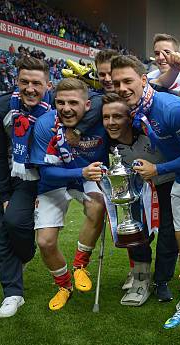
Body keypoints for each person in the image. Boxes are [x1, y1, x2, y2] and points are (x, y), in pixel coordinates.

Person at [110, 55, 180, 305]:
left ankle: (163, 279)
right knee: (133, 223)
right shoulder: (130, 107)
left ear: (145, 80)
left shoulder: (172, 109)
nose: (122, 88)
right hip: (143, 174)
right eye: (117, 84)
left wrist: (158, 169)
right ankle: (141, 275)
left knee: (170, 231)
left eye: (128, 81)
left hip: (176, 176)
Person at [30, 78, 108, 311]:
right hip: (53, 181)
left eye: (73, 102)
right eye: (60, 103)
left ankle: (80, 266)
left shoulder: (102, 120)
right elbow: (46, 171)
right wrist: (81, 170)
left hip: (85, 178)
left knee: (97, 205)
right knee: (45, 242)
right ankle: (64, 286)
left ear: (87, 106)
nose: (66, 108)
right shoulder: (45, 124)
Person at [0, 56, 53, 318]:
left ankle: (25, 253)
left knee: (16, 227)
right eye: (24, 82)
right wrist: (3, 196)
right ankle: (13, 293)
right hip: (5, 176)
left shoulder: (58, 105)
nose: (30, 88)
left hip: (43, 175)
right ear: (16, 81)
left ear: (48, 84)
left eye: (36, 83)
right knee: (4, 227)